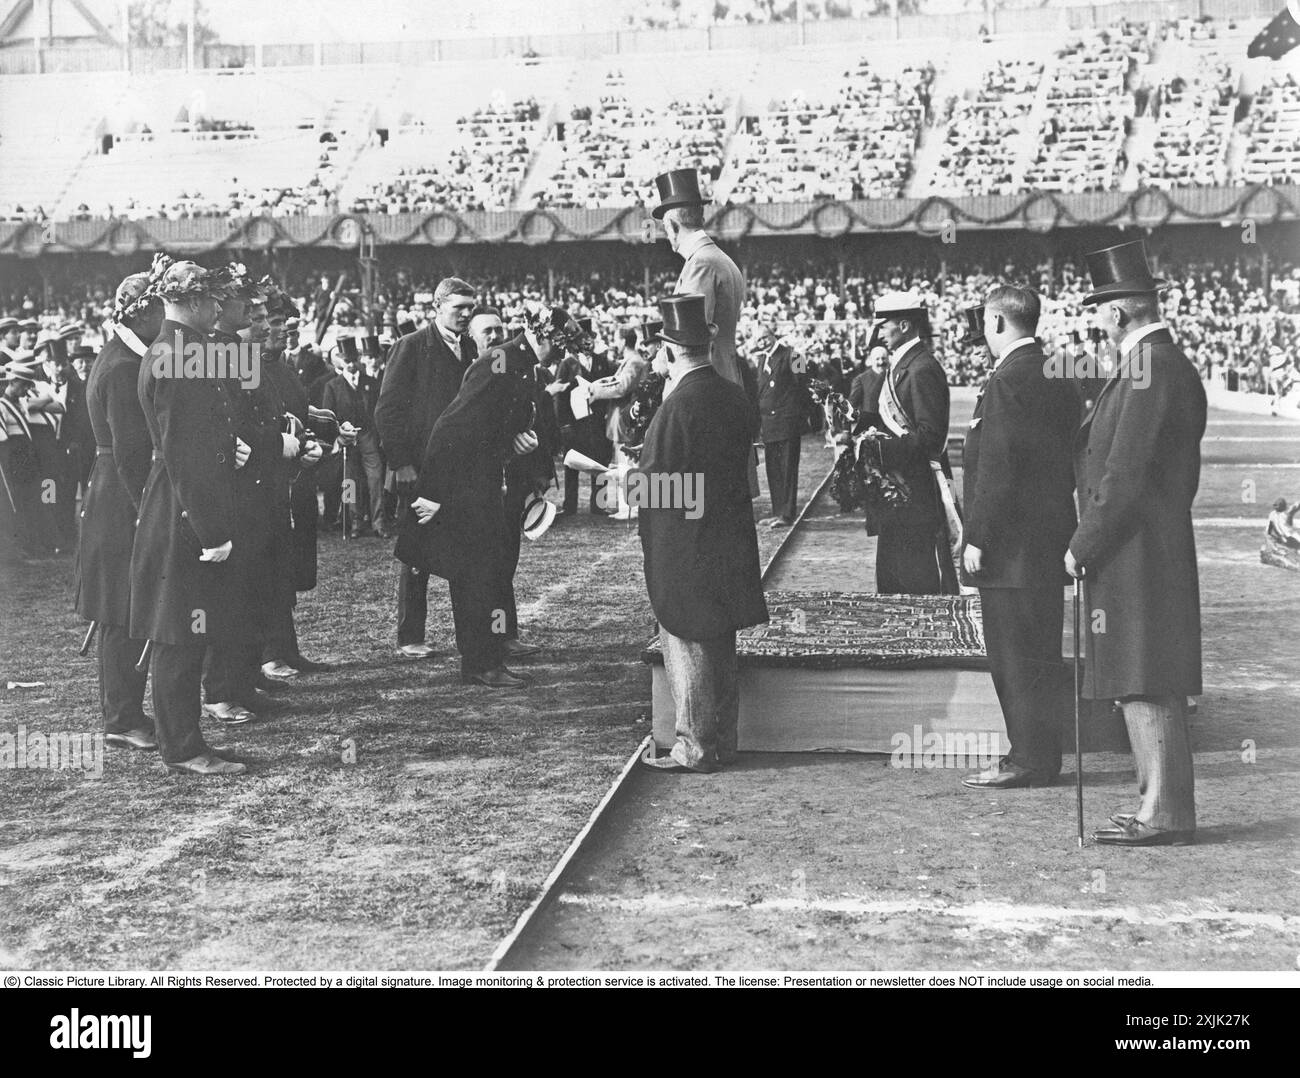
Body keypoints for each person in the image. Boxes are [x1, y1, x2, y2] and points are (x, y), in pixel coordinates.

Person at [1066, 239, 1206, 848]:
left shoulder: (1151, 367)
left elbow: (1123, 476)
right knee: (1137, 675)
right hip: (1142, 548)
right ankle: (1155, 801)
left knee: (1146, 676)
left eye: (1100, 307)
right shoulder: (1155, 363)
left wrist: (1082, 544)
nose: (1097, 319)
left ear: (1117, 313)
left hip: (1138, 550)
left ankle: (1165, 810)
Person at [637, 294, 768, 773]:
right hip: (728, 535)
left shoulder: (677, 407)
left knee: (687, 640)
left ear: (671, 351)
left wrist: (625, 481)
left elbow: (656, 487)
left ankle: (693, 746)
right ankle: (722, 741)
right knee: (719, 640)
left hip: (685, 542)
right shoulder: (733, 395)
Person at [958, 289, 1079, 791]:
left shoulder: (1008, 379)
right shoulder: (1057, 371)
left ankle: (1028, 758)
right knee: (1041, 653)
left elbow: (1000, 468)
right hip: (1046, 539)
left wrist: (978, 536)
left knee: (1014, 657)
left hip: (1010, 548)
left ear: (997, 321)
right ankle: (1038, 754)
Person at [129, 261, 247, 776]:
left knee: (187, 629)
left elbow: (196, 439)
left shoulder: (178, 349)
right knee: (180, 632)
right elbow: (183, 452)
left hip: (179, 503)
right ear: (195, 302)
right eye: (215, 299)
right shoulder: (179, 354)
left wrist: (230, 448)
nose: (221, 308)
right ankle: (183, 749)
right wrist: (213, 530)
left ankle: (185, 741)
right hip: (184, 510)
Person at [395, 333, 542, 687]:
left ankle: (490, 655)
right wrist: (429, 489)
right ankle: (479, 660)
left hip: (483, 486)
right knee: (474, 575)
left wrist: (517, 444)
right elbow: (450, 426)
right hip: (458, 489)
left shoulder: (511, 367)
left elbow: (485, 431)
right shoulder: (493, 363)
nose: (493, 337)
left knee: (489, 573)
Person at [75, 270, 163, 752]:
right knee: (121, 611)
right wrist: (145, 508)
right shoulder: (125, 366)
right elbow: (132, 452)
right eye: (159, 310)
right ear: (140, 312)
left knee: (125, 609)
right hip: (120, 498)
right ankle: (121, 717)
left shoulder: (122, 356)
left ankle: (125, 712)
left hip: (112, 491)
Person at [375, 277, 477, 658]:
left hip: (458, 469)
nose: (466, 315)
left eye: (471, 307)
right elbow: (388, 409)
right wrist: (399, 462)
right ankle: (410, 636)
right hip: (418, 465)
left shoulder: (469, 347)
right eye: (459, 308)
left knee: (463, 547)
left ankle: (469, 634)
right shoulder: (411, 347)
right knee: (417, 552)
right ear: (437, 307)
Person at [654, 167, 759, 496]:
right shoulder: (723, 260)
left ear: (673, 225)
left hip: (701, 390)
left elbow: (688, 335)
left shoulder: (699, 264)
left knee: (699, 494)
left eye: (666, 230)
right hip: (725, 380)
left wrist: (660, 362)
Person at [856, 290, 957, 595]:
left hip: (913, 493)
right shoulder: (903, 364)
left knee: (914, 580)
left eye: (883, 324)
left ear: (903, 325)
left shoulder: (922, 368)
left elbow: (930, 436)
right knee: (892, 578)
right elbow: (892, 423)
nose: (879, 332)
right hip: (898, 493)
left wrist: (878, 449)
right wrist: (857, 424)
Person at [467, 307, 547, 657]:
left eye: (499, 329)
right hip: (475, 483)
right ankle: (488, 640)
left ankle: (503, 634)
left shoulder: (514, 371)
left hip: (510, 481)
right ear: (471, 338)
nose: (495, 336)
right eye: (486, 331)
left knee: (505, 561)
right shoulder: (474, 372)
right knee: (483, 567)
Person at [589, 325, 649, 520]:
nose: (615, 343)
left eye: (616, 339)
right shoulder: (631, 361)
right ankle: (626, 507)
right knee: (622, 463)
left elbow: (621, 388)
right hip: (622, 419)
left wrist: (595, 392)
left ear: (623, 341)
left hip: (626, 419)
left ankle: (631, 508)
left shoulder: (634, 362)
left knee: (627, 463)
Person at [754, 323, 809, 528]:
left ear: (773, 335)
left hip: (787, 423)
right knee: (774, 471)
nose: (762, 342)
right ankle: (778, 512)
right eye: (758, 340)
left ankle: (786, 514)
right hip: (769, 425)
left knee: (787, 471)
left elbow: (805, 385)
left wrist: (798, 416)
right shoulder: (761, 360)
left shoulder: (793, 355)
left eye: (764, 338)